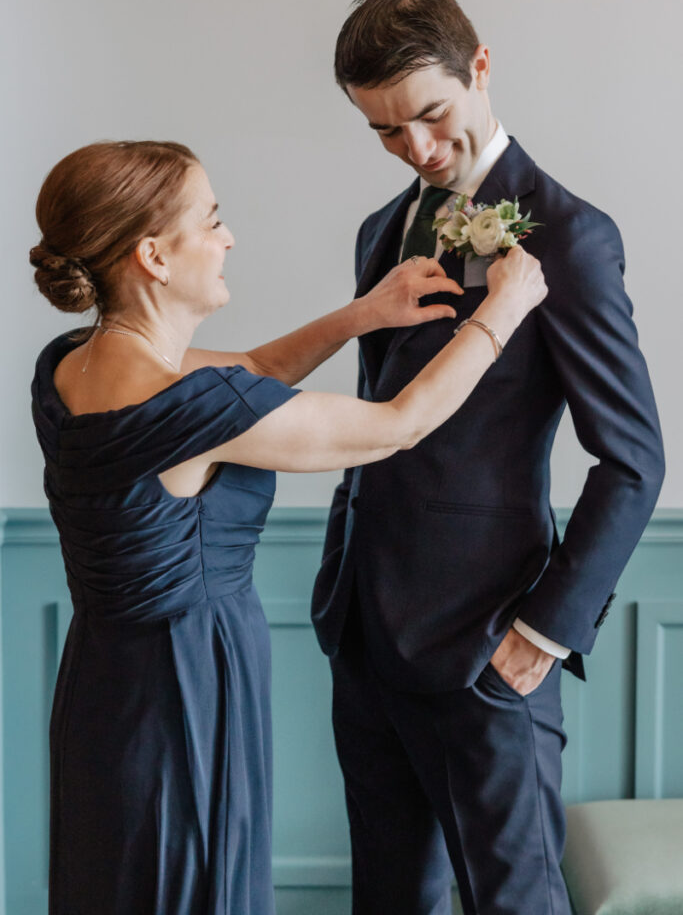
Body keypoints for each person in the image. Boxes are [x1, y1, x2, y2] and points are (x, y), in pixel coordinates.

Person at [29, 139, 545, 915]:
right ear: (153, 257)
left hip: (104, 686)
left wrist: (362, 315)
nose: (229, 238)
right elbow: (399, 425)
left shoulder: (71, 364)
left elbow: (250, 372)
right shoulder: (187, 409)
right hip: (186, 689)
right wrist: (500, 312)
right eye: (212, 220)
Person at [312, 0, 666, 915]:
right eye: (385, 131)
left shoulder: (570, 236)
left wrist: (543, 632)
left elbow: (632, 458)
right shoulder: (380, 230)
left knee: (515, 902)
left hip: (485, 644)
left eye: (430, 114)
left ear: (478, 67)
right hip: (362, 629)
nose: (418, 149)